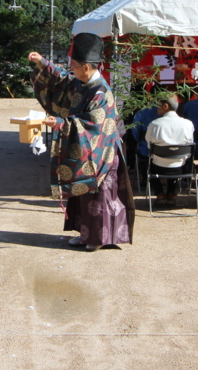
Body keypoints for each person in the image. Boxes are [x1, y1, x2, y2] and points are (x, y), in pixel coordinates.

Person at [29, 34, 134, 252]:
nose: (71, 69)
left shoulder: (100, 91)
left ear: (86, 67)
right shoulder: (80, 81)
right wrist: (42, 62)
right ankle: (84, 233)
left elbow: (92, 124)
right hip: (86, 150)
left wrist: (60, 123)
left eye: (74, 65)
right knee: (82, 193)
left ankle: (98, 238)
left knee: (99, 196)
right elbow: (60, 79)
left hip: (101, 152)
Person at [145, 94, 195, 206]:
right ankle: (171, 194)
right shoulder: (188, 124)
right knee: (174, 162)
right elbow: (190, 144)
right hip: (180, 166)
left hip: (159, 166)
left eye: (158, 105)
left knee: (149, 164)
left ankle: (160, 194)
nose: (156, 108)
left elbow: (149, 146)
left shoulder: (155, 124)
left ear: (165, 106)